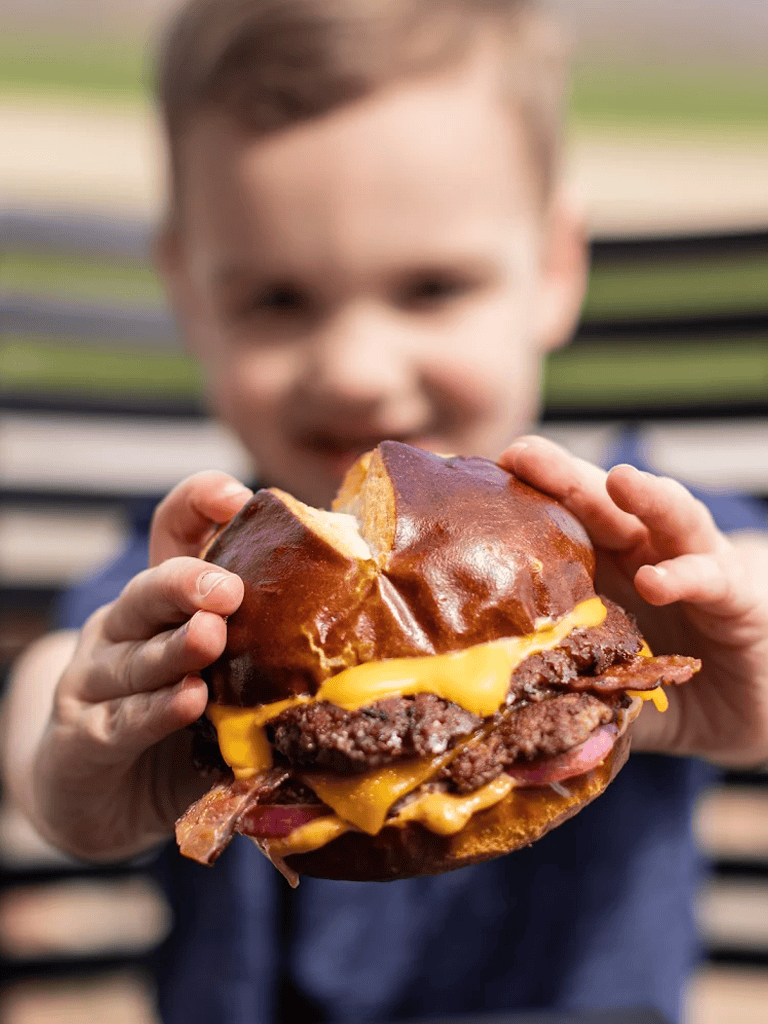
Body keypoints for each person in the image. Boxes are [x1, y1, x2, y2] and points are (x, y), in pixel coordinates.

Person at [3, 1, 768, 1021]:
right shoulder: (201, 568)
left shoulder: (630, 542)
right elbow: (54, 686)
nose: (358, 374)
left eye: (431, 287)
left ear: (553, 268)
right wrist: (81, 766)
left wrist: (740, 664)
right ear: (189, 292)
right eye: (278, 299)